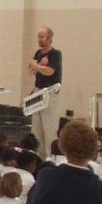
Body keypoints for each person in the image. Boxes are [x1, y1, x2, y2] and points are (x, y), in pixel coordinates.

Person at [29, 26, 62, 158]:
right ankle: (39, 157)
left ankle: (51, 157)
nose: (39, 39)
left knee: (49, 127)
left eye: (42, 37)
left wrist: (37, 66)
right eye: (38, 36)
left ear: (49, 39)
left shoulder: (56, 54)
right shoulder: (38, 53)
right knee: (36, 127)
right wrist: (38, 66)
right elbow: (30, 71)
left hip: (50, 91)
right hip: (38, 91)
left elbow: (50, 72)